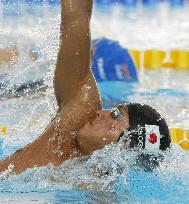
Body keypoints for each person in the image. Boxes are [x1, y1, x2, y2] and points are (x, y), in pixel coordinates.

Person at [0, 0, 170, 175]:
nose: (100, 112)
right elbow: (75, 17)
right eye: (113, 110)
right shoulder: (75, 118)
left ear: (123, 148)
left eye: (115, 116)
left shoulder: (100, 193)